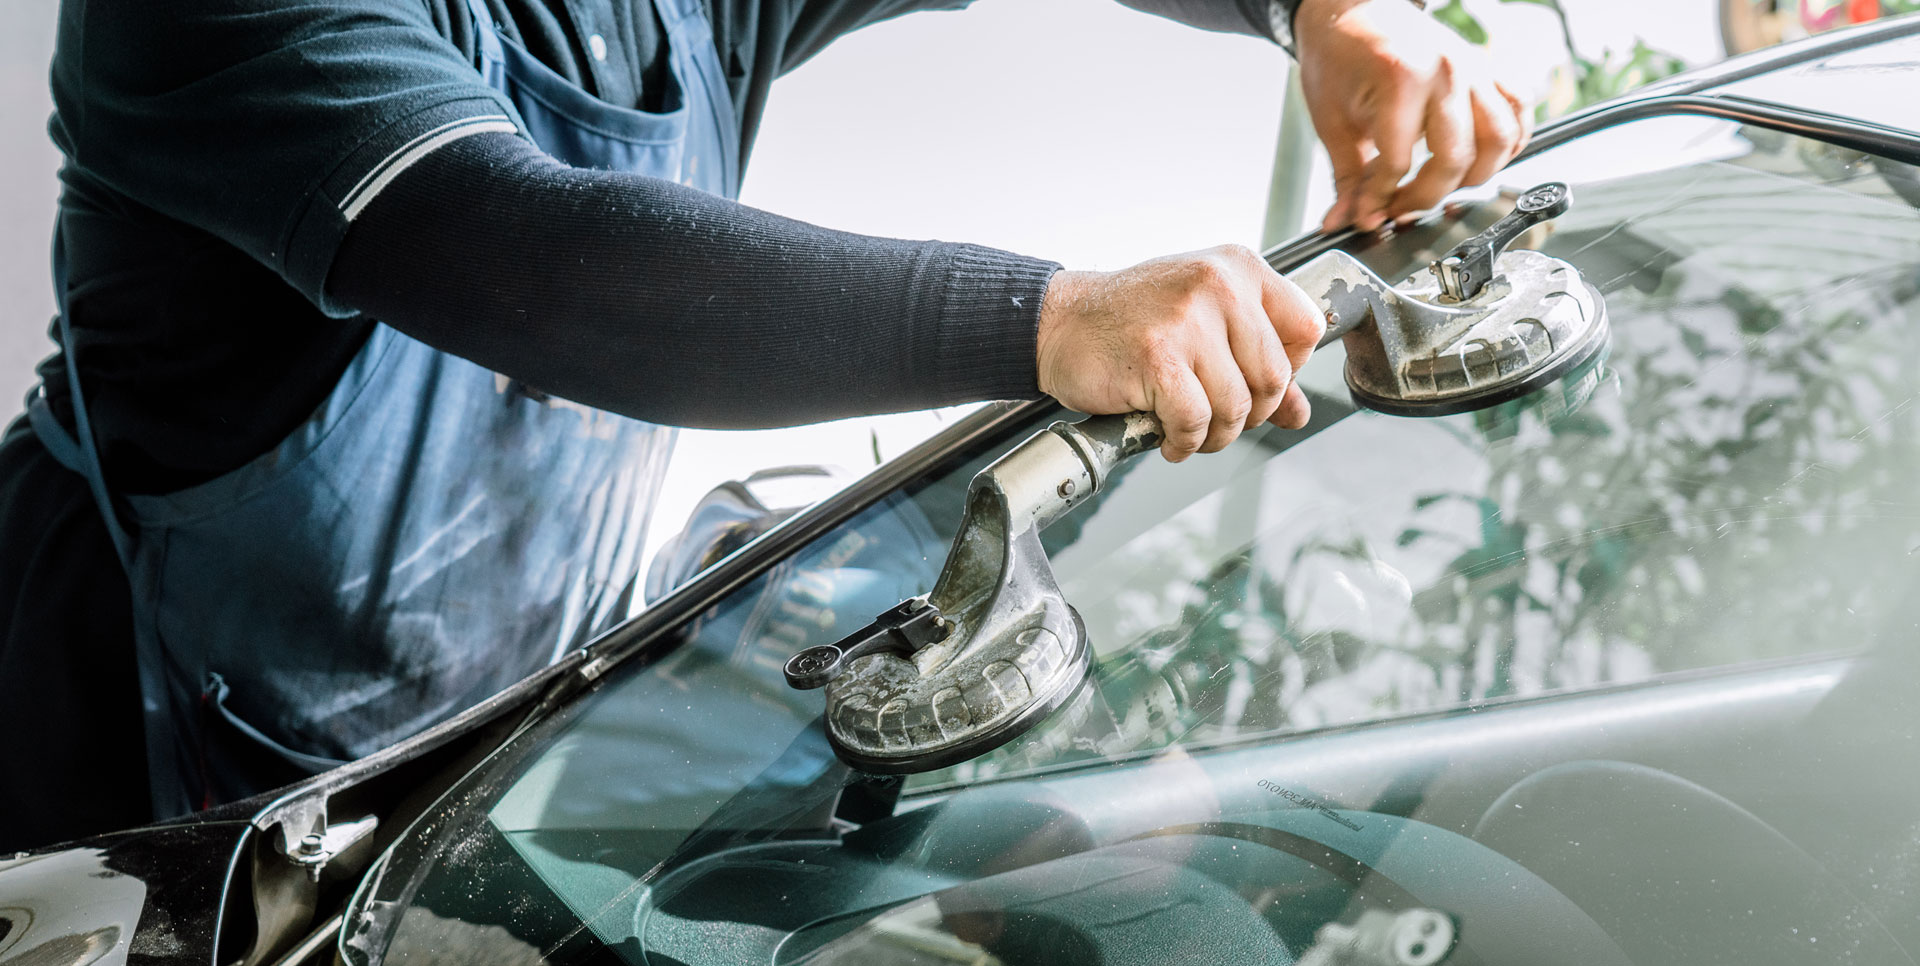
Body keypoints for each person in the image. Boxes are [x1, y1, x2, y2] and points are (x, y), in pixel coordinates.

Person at [0, 0, 1527, 850]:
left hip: (469, 721)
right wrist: (1053, 318)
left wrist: (1321, 8)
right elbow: (546, 270)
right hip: (131, 759)